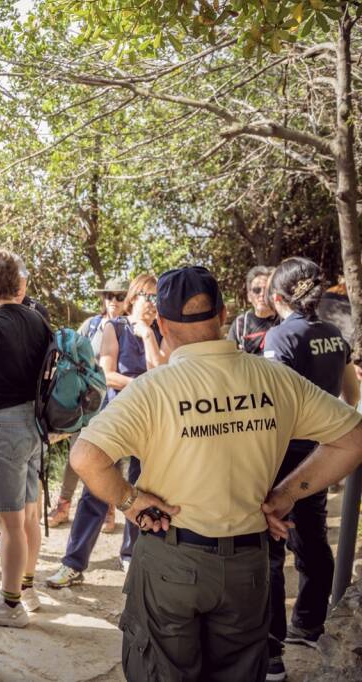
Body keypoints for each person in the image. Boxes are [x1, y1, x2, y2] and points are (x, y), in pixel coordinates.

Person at [69, 265, 362, 682]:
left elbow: (85, 457)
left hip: (171, 557)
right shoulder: (275, 379)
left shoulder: (154, 389)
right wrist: (286, 494)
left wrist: (132, 503)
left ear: (164, 325)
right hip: (247, 564)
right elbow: (353, 437)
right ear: (223, 314)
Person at [262, 257, 360, 680]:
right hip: (321, 456)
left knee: (269, 550)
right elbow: (351, 395)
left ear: (276, 296)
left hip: (281, 458)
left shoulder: (280, 337)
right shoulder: (335, 334)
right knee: (313, 539)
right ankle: (309, 623)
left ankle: (272, 653)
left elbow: (271, 407)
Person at [47, 274, 165, 588]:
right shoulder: (115, 327)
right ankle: (72, 564)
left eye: (157, 297)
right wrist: (147, 385)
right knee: (97, 490)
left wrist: (149, 336)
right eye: (147, 296)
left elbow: (164, 369)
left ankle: (133, 556)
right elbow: (109, 374)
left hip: (153, 423)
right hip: (117, 417)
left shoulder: (161, 331)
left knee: (143, 487)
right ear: (134, 297)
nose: (152, 304)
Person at [0, 248, 52, 628]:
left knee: (9, 523)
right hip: (32, 424)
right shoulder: (38, 321)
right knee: (29, 512)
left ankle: (9, 602)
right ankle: (26, 587)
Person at [48, 275, 129, 528]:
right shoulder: (91, 325)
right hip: (86, 404)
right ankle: (63, 504)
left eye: (119, 296)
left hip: (116, 404)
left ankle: (109, 507)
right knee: (76, 453)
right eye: (108, 296)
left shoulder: (130, 328)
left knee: (112, 457)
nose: (113, 301)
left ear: (128, 300)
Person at [228, 265, 277, 355]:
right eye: (256, 290)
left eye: (267, 290)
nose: (262, 294)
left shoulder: (283, 320)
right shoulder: (241, 324)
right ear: (249, 296)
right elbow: (229, 358)